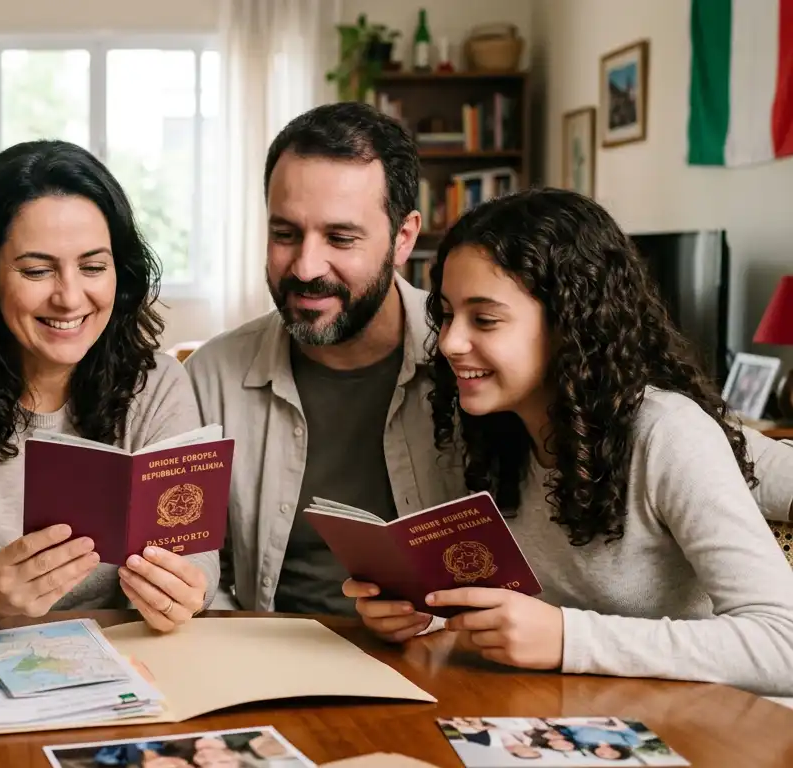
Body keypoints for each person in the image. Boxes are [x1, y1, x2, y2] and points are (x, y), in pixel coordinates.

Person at [184, 101, 793, 616]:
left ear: (404, 238)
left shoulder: (494, 371)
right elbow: (197, 566)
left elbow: (728, 460)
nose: (306, 266)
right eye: (285, 233)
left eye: (341, 238)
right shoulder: (211, 377)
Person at [347, 188, 793, 695]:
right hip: (556, 713)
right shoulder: (488, 427)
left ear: (570, 325)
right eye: (446, 314)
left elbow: (785, 645)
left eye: (485, 319)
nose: (449, 342)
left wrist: (568, 638)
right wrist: (421, 613)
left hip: (690, 727)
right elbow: (499, 608)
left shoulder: (668, 433)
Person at [0, 140, 218, 630]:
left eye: (93, 267)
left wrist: (185, 589)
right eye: (37, 270)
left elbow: (196, 553)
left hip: (132, 657)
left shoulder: (157, 383)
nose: (69, 297)